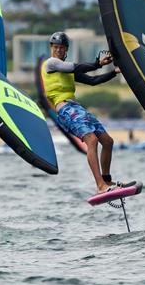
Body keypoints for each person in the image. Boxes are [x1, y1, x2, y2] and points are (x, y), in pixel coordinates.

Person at [40, 31, 122, 194]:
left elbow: (92, 81)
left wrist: (114, 72)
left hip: (77, 109)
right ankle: (100, 186)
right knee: (91, 140)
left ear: (66, 50)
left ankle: (106, 180)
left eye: (62, 48)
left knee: (107, 141)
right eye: (55, 47)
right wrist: (97, 64)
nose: (58, 51)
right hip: (64, 109)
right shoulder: (51, 63)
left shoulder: (67, 70)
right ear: (51, 48)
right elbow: (75, 66)